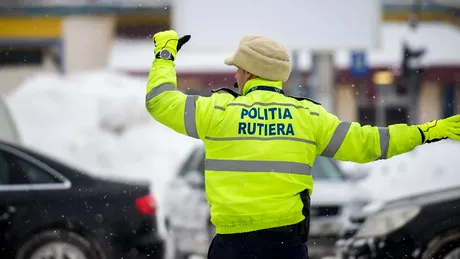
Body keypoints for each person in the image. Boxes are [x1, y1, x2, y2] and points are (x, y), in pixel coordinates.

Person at [145, 30, 460, 259]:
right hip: (287, 247)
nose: (236, 75)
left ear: (247, 72)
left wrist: (165, 54)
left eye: (238, 68)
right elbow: (370, 143)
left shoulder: (216, 112)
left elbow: (160, 101)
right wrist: (430, 130)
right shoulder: (308, 116)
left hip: (232, 245)